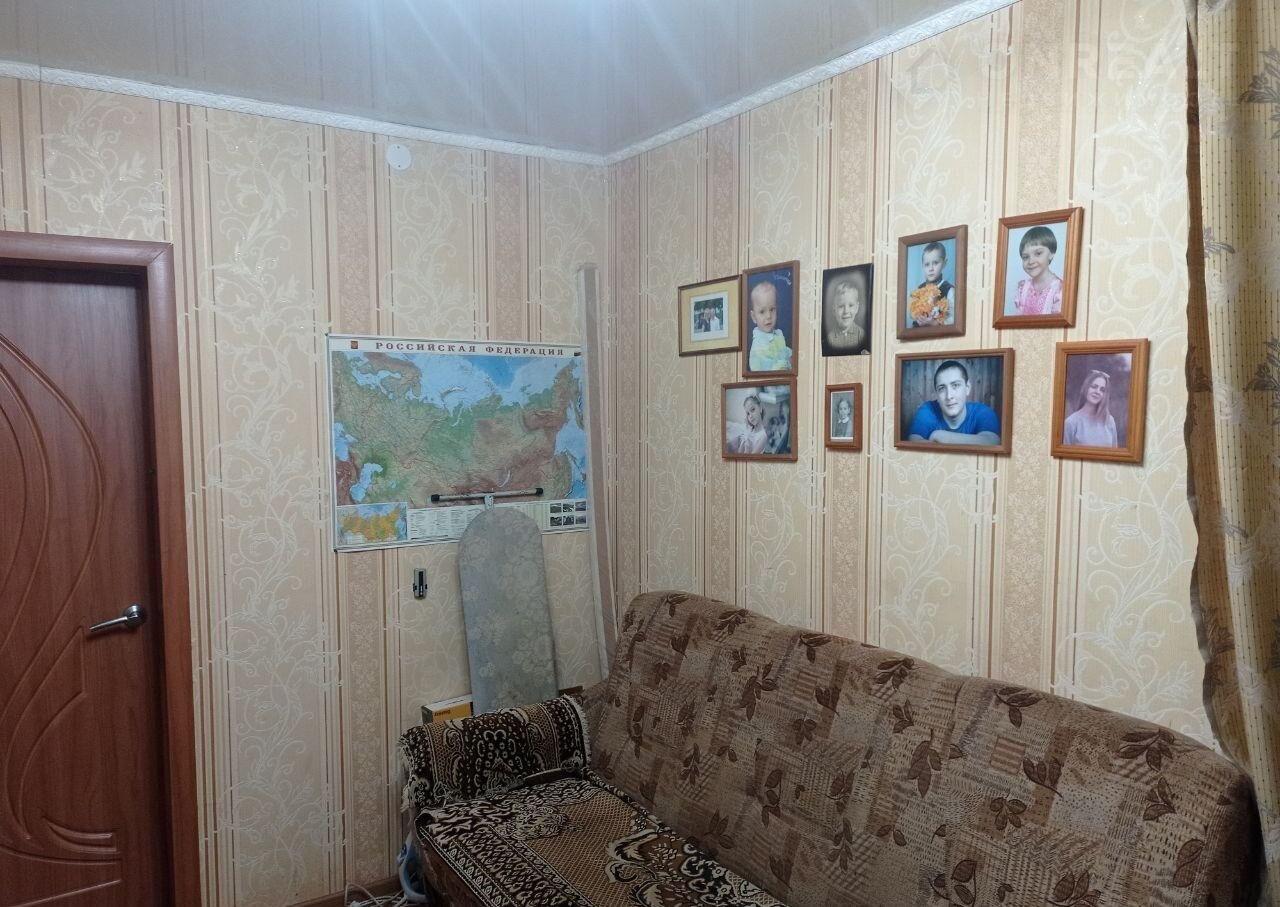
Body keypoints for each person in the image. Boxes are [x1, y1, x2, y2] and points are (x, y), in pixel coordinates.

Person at [906, 360, 1000, 445]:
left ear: (967, 388)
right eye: (942, 388)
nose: (949, 396)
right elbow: (914, 440)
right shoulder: (928, 410)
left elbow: (992, 441)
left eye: (955, 385)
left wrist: (939, 435)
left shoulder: (982, 412)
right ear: (937, 395)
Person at [1012, 226, 1063, 315]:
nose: (1031, 261)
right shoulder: (1022, 288)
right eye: (1026, 257)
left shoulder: (1059, 289)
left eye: (1038, 253)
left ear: (1051, 253)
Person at [1062, 369, 1118, 446]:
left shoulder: (1110, 421)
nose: (1097, 392)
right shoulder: (1071, 423)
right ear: (1086, 388)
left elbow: (1114, 451)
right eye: (1094, 387)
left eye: (1102, 390)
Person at [747, 280, 793, 372]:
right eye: (762, 312)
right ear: (754, 317)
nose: (768, 316)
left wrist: (792, 355)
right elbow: (770, 369)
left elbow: (784, 351)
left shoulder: (777, 334)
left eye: (772, 309)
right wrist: (788, 362)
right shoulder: (759, 344)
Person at [910, 242, 955, 326]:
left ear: (944, 263)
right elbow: (913, 312)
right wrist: (918, 318)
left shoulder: (949, 290)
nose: (931, 268)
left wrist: (934, 323)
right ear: (922, 266)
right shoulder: (919, 290)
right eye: (927, 264)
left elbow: (952, 321)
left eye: (935, 263)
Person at [823, 270, 868, 354]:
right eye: (841, 306)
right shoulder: (830, 338)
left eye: (850, 305)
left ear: (857, 308)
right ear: (834, 310)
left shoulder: (861, 334)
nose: (846, 311)